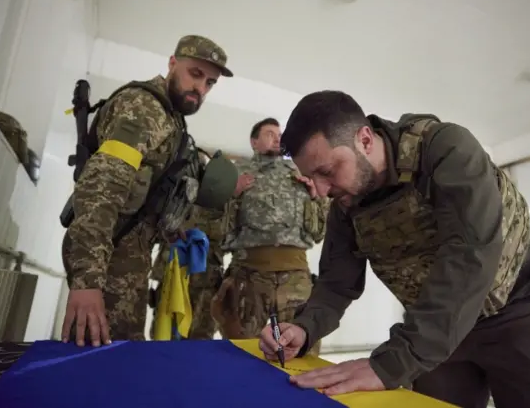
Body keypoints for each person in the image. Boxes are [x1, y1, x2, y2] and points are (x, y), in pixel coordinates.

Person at [259, 90, 530, 408]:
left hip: (519, 317)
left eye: (327, 172)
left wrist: (389, 364)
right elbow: (336, 281)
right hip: (434, 328)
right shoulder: (346, 201)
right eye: (311, 178)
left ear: (365, 140)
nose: (319, 190)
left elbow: (470, 256)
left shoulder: (445, 149)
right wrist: (304, 328)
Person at [61, 35, 234, 347]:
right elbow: (102, 188)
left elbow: (148, 189)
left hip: (130, 258)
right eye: (195, 74)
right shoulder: (144, 108)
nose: (201, 89)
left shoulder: (171, 119)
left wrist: (170, 229)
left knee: (121, 354)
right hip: (109, 258)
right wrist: (87, 282)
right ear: (172, 63)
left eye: (210, 83)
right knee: (100, 361)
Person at [212, 118, 329, 353]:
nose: (277, 138)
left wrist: (317, 198)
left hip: (295, 278)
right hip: (249, 275)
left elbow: (318, 233)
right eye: (269, 133)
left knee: (302, 350)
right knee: (241, 349)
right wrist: (231, 194)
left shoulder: (301, 173)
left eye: (279, 133)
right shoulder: (235, 173)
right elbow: (218, 231)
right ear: (254, 142)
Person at [148, 170, 252, 340]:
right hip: (175, 276)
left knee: (201, 339)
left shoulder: (229, 203)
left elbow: (232, 238)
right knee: (166, 339)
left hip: (206, 283)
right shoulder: (181, 192)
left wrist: (232, 197)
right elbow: (176, 228)